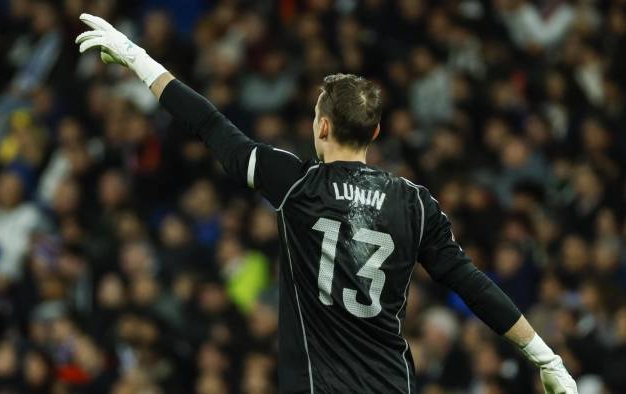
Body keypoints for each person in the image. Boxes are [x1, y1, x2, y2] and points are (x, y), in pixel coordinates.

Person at [74, 13, 578, 394]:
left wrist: (135, 56)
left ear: (321, 127)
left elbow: (210, 126)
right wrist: (545, 358)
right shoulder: (414, 203)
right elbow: (472, 284)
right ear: (375, 133)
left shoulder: (296, 186)